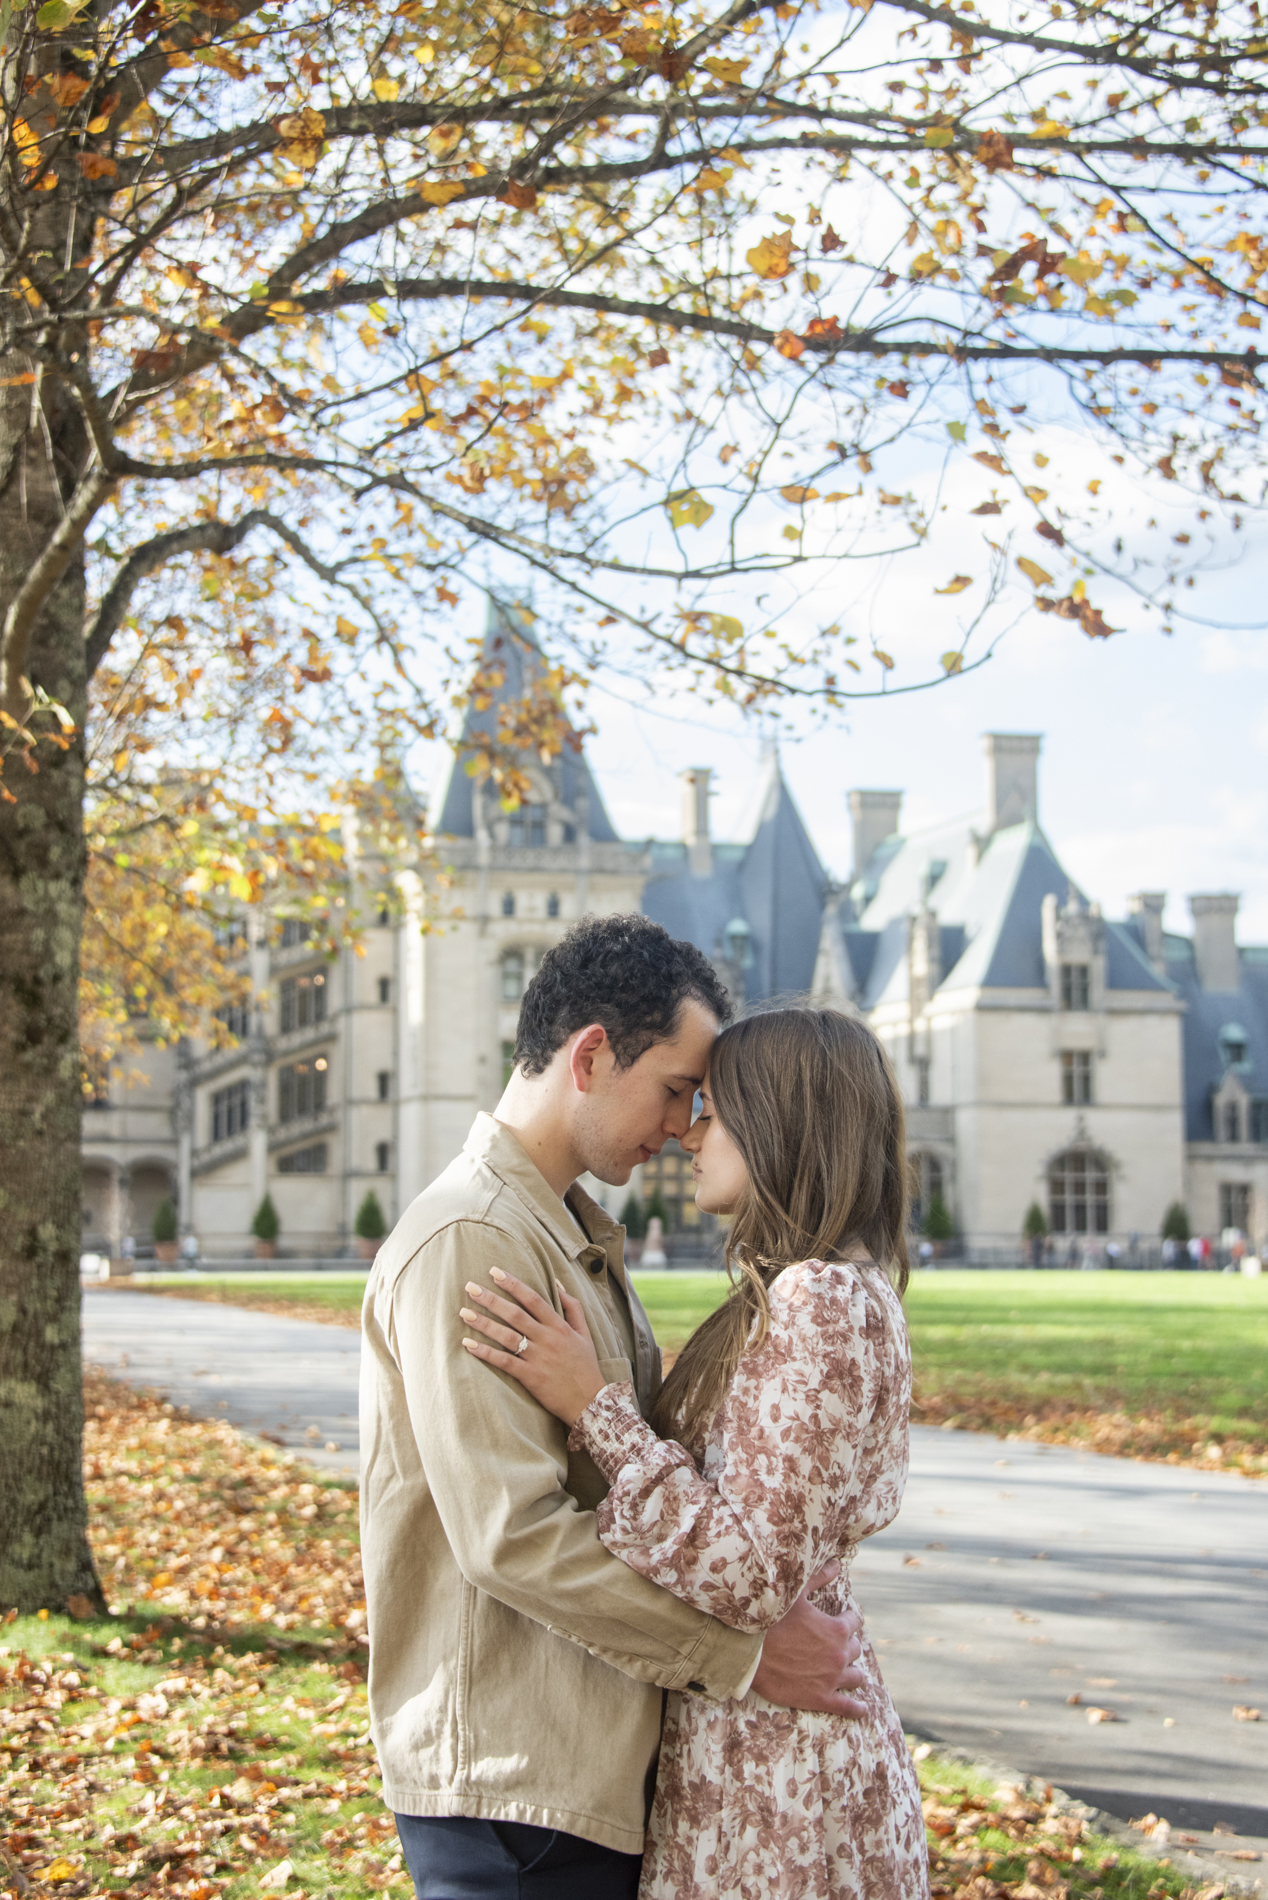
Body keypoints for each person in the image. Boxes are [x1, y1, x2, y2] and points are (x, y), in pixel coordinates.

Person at [359, 917, 868, 1900]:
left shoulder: (563, 1233)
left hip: (573, 1771)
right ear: (590, 1055)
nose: (684, 1127)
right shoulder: (474, 1238)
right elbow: (512, 1535)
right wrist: (742, 1654)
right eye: (676, 1090)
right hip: (515, 1784)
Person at [462, 1006, 930, 1899]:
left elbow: (749, 1571)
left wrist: (593, 1407)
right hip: (758, 1748)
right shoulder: (826, 1290)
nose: (688, 1132)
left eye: (712, 1107)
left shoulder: (821, 1299)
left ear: (782, 1122)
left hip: (782, 1773)